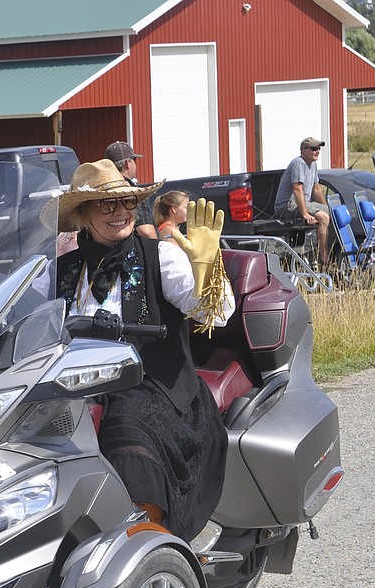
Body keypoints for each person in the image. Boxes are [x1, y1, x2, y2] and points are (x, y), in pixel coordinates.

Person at [53, 159, 235, 542]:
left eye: (127, 202)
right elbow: (21, 317)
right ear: (83, 214)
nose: (120, 212)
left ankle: (142, 544)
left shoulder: (161, 256)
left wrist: (206, 269)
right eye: (107, 204)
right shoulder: (61, 269)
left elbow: (212, 315)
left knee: (127, 433)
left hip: (153, 383)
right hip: (73, 385)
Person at [273, 137, 330, 258]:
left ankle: (335, 252)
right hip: (288, 206)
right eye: (314, 148)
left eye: (318, 148)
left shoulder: (313, 164)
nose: (317, 151)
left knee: (333, 213)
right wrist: (305, 214)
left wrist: (326, 206)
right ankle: (325, 260)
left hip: (303, 204)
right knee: (323, 217)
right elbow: (297, 189)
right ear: (303, 151)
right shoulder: (298, 163)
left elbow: (316, 189)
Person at [105, 140, 158, 239]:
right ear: (127, 163)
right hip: (135, 252)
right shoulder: (132, 192)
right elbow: (146, 232)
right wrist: (157, 252)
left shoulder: (102, 190)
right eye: (134, 159)